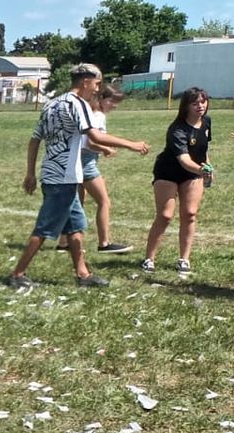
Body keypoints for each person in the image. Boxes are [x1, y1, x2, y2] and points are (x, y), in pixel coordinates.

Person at [12, 63, 149, 288]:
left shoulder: (51, 104)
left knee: (75, 226)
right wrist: (131, 144)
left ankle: (83, 274)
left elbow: (35, 139)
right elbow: (94, 137)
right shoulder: (78, 104)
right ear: (85, 82)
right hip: (64, 177)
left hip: (54, 173)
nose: (97, 89)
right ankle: (18, 273)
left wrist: (30, 173)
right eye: (96, 84)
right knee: (45, 228)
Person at [144, 87, 215, 275]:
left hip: (193, 172)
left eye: (203, 101)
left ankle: (184, 259)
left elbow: (203, 150)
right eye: (195, 103)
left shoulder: (206, 122)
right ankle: (149, 259)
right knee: (165, 216)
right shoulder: (177, 130)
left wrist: (208, 166)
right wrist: (202, 170)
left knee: (190, 214)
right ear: (186, 106)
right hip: (168, 172)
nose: (200, 106)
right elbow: (183, 160)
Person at [65, 85, 133, 254]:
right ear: (101, 99)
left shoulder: (89, 113)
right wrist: (105, 148)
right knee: (104, 202)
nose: (114, 105)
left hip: (76, 160)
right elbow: (91, 142)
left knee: (76, 203)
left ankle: (65, 242)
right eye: (112, 101)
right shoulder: (98, 116)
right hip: (86, 162)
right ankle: (104, 243)